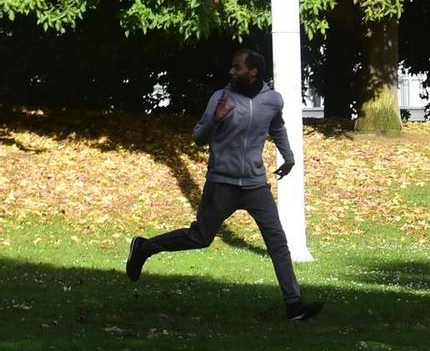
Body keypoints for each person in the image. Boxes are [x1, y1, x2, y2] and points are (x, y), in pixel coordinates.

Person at [126, 48, 323, 321]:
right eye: (232, 67)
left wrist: (288, 157)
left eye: (237, 67)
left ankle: (294, 304)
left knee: (277, 241)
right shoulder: (220, 97)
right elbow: (198, 137)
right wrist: (216, 119)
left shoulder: (272, 100)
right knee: (200, 238)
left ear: (253, 72)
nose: (231, 71)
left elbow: (276, 127)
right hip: (222, 183)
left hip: (255, 185)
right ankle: (144, 247)